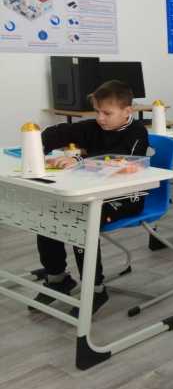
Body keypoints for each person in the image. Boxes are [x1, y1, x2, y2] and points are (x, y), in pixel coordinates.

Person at [33, 80, 148, 316]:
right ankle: (57, 278)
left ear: (127, 111)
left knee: (80, 219)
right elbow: (56, 133)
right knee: (48, 212)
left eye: (107, 113)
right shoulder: (95, 126)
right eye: (97, 111)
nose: (100, 118)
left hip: (126, 197)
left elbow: (120, 160)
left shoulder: (137, 132)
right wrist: (37, 148)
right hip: (93, 193)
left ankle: (95, 289)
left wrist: (79, 160)